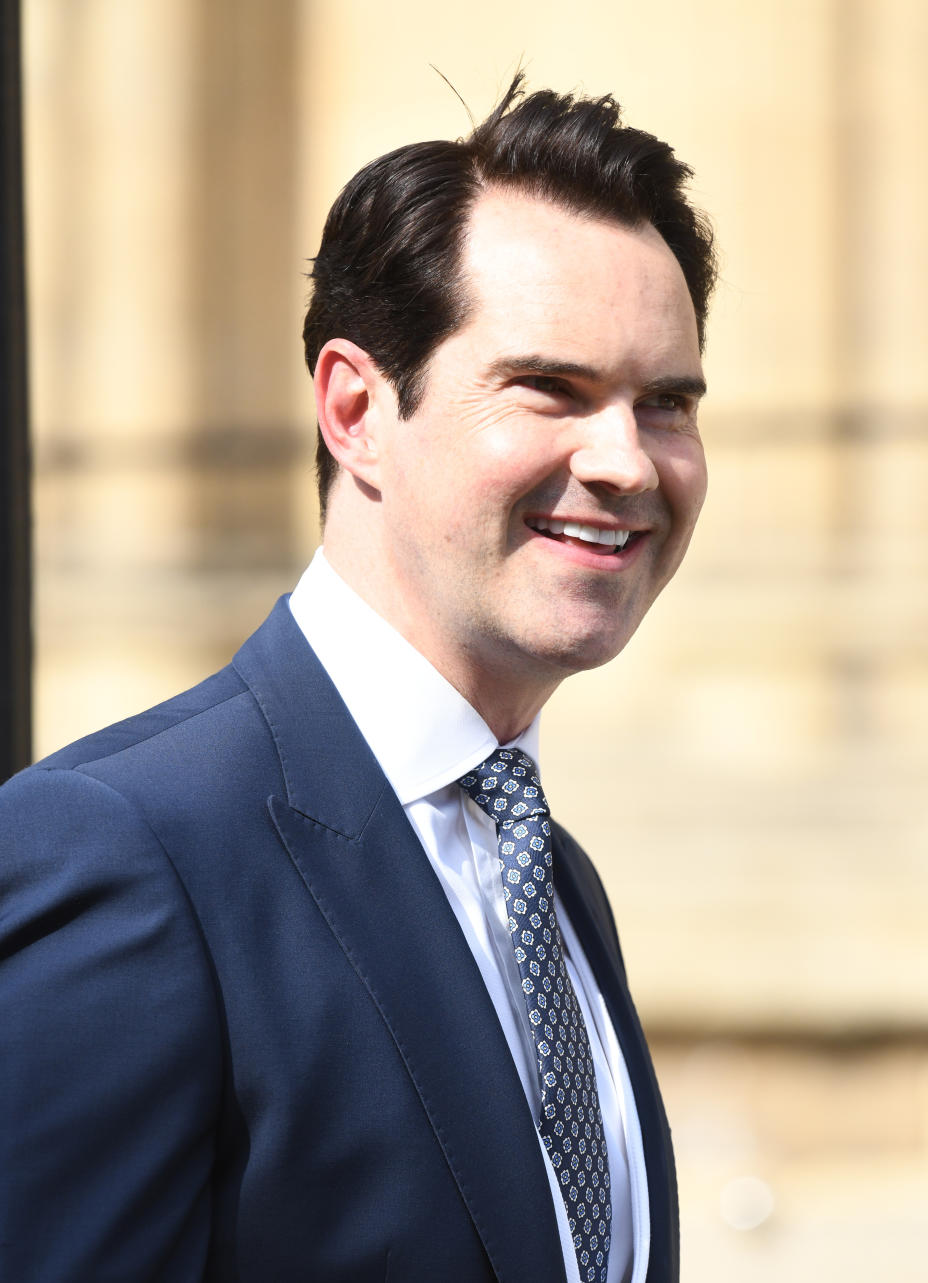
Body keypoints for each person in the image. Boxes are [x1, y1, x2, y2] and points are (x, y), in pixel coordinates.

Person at [0, 76, 715, 1283]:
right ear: (355, 408)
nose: (627, 462)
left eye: (667, 404)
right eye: (553, 387)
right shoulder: (124, 852)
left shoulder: (553, 877)